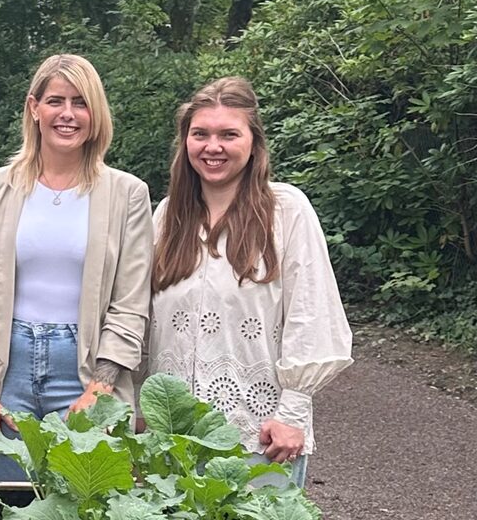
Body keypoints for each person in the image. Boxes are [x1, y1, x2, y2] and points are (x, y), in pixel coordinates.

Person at [0, 54, 152, 481]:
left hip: (85, 373)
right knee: (13, 503)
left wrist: (100, 390)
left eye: (81, 102)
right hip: (3, 372)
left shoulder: (127, 194)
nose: (68, 114)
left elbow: (131, 305)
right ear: (34, 108)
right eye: (56, 100)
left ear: (97, 114)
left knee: (84, 503)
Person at [148, 76, 353, 487]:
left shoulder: (285, 211)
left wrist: (293, 411)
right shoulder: (168, 216)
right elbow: (147, 322)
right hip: (173, 441)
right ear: (185, 141)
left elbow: (312, 313)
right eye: (200, 134)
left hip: (259, 435)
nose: (213, 147)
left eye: (229, 134)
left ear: (254, 142)